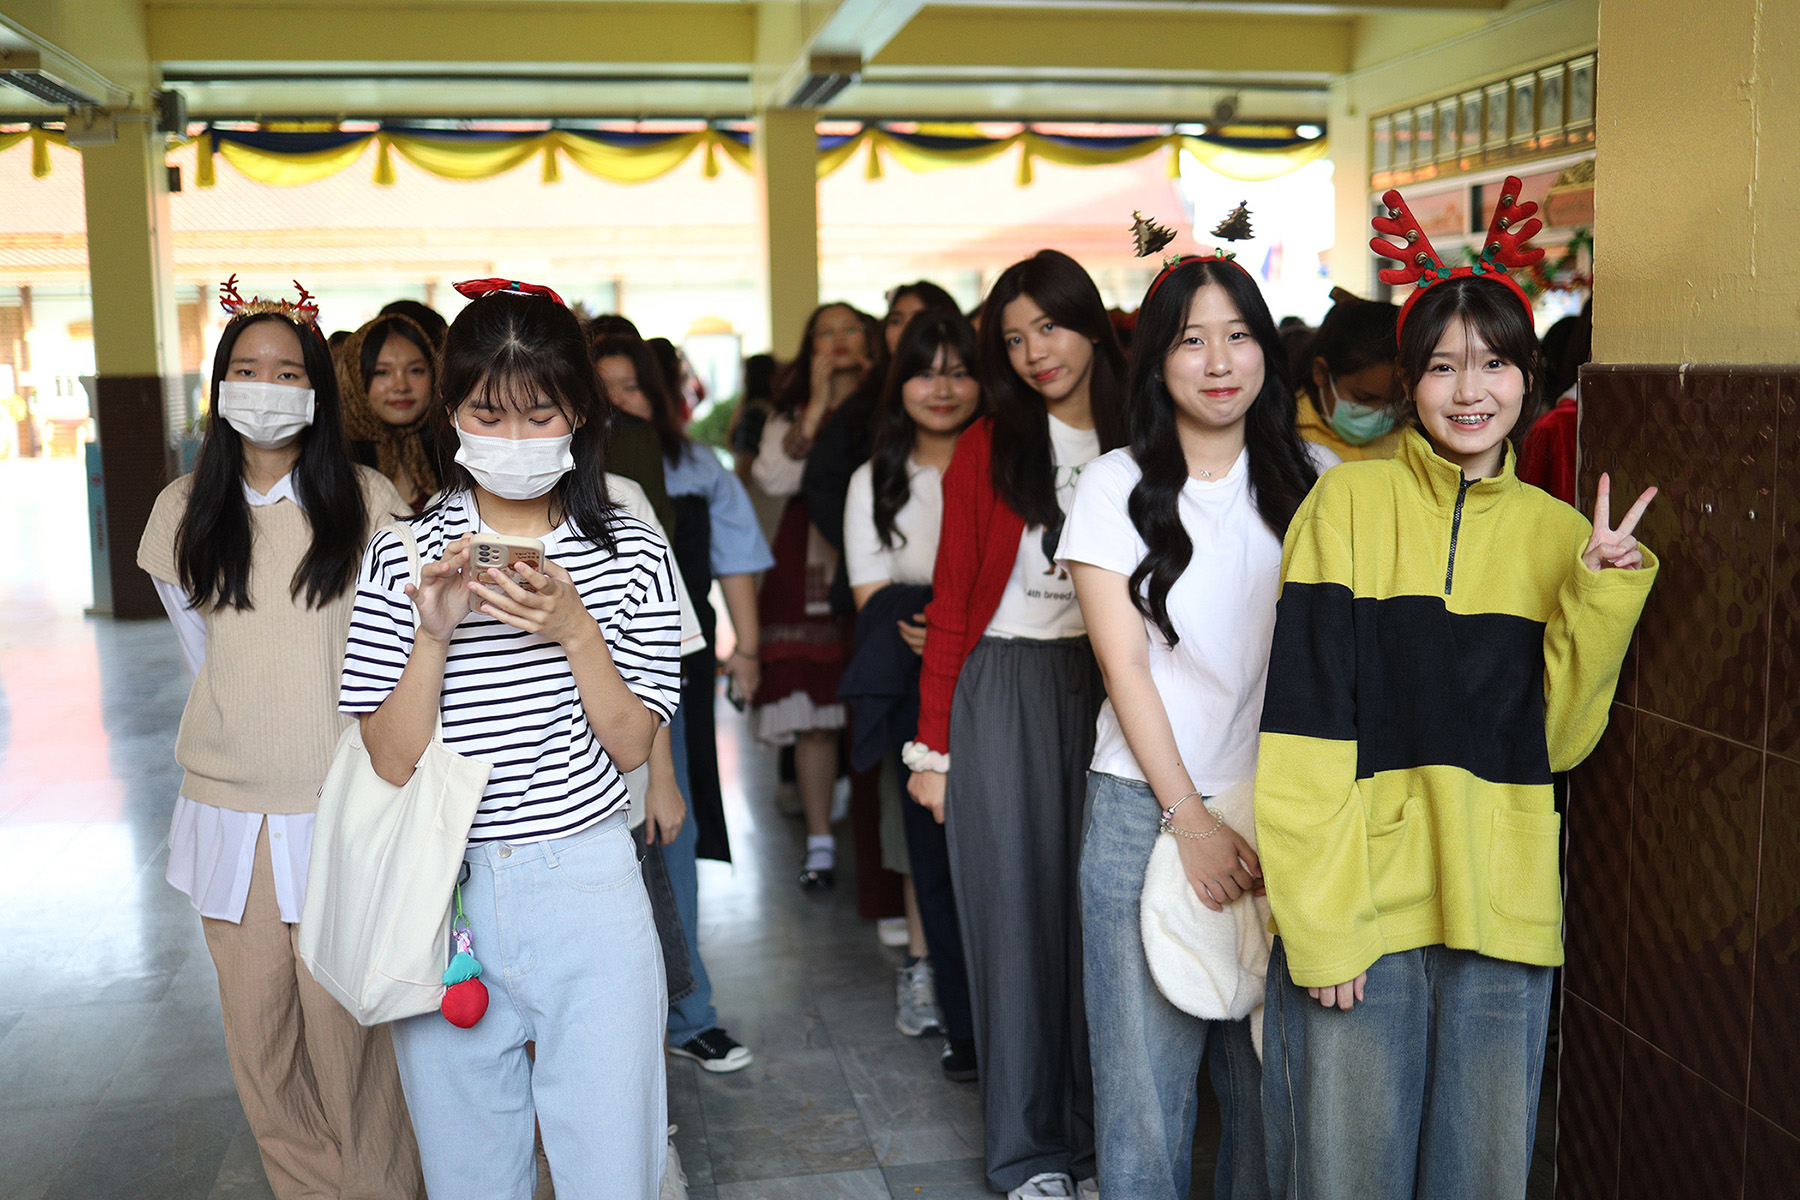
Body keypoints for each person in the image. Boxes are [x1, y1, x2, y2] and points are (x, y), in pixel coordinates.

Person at [1257, 186, 1658, 1199]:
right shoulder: (1346, 504)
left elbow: (1559, 742)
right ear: (1409, 382)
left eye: (1493, 364)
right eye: (1442, 365)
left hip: (1501, 910)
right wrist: (1321, 922)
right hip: (1363, 910)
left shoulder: (1557, 534)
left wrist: (1601, 595)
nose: (1469, 389)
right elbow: (1305, 729)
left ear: (1529, 378)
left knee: (1480, 1179)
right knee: (1343, 1177)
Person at [340, 279, 683, 1198]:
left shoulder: (632, 549)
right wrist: (432, 635)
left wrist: (576, 631)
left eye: (540, 416)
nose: (515, 440)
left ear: (580, 413)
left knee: (613, 1168)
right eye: (489, 416)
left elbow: (632, 746)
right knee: (468, 1175)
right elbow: (390, 758)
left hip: (589, 880)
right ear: (451, 413)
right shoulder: (402, 552)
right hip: (446, 891)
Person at [136, 284, 421, 1200]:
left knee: (353, 1039)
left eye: (289, 372)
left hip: (342, 804)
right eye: (248, 369)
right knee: (261, 1038)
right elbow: (205, 656)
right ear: (220, 385)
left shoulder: (368, 501)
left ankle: (381, 1189)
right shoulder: (183, 509)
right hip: (228, 813)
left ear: (318, 390)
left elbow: (399, 659)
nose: (267, 386)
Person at [1061, 255, 1334, 1200]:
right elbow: (1125, 666)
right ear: (1155, 361)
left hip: (1285, 807)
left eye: (1239, 335)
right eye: (1191, 341)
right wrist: (1192, 820)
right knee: (1143, 1093)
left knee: (1270, 1088)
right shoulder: (1113, 484)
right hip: (1145, 806)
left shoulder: (1320, 481)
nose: (1219, 362)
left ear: (1267, 350)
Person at [906, 249, 1128, 1199]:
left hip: (1116, 689)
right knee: (1014, 927)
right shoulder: (990, 446)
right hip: (1002, 689)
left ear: (1093, 326)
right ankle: (1031, 1155)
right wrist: (935, 750)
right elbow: (953, 600)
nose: (1037, 351)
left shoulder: (1142, 434)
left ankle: (1100, 1143)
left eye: (1051, 326)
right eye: (1014, 338)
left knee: (1104, 925)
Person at [594, 332, 770, 1073]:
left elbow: (736, 562)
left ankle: (687, 1009)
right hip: (568, 680)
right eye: (600, 388)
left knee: (670, 827)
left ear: (661, 393)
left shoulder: (692, 469)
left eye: (631, 387)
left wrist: (747, 650)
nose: (615, 405)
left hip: (670, 661)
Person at [838, 309, 983, 1079]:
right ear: (901, 385)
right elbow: (874, 598)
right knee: (934, 856)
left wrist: (964, 626)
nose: (943, 388)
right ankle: (964, 1023)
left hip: (1001, 673)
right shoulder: (876, 479)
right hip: (915, 681)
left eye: (959, 371)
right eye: (926, 372)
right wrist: (941, 623)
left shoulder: (1005, 462)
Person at [751, 301, 882, 888]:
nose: (839, 340)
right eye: (825, 332)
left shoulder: (892, 400)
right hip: (810, 556)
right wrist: (820, 401)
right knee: (815, 714)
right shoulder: (790, 413)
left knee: (870, 700)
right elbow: (776, 476)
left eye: (850, 328)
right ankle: (822, 841)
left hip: (877, 552)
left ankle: (872, 837)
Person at [340, 311, 444, 511]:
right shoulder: (334, 463)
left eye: (415, 370)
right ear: (354, 379)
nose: (401, 386)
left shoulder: (455, 454)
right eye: (382, 372)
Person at [1293, 289, 1405, 462]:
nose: (1379, 414)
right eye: (1364, 398)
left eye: (1394, 402)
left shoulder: (1413, 439)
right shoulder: (1284, 432)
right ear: (1321, 373)